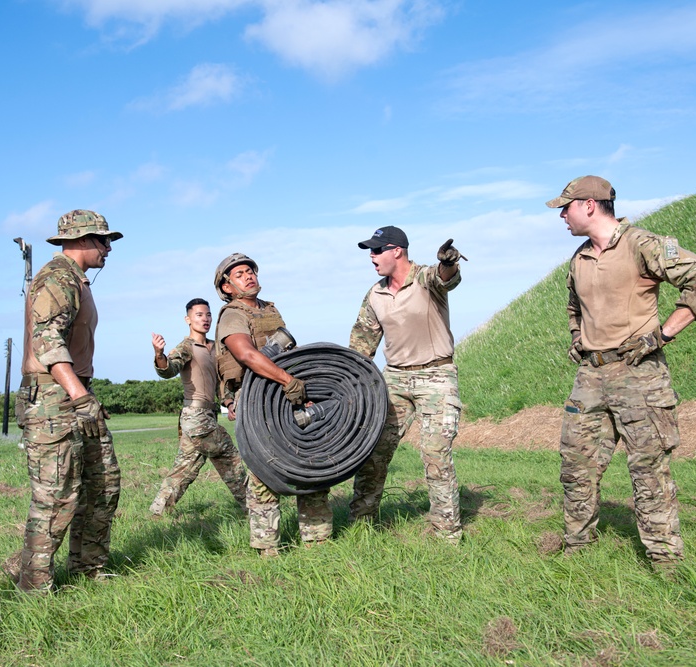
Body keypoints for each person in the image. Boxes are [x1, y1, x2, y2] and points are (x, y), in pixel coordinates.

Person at [548, 175, 696, 567]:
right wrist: (578, 337)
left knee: (648, 471)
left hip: (639, 375)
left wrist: (662, 334)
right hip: (590, 378)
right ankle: (577, 554)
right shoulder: (579, 258)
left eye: (566, 206)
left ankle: (665, 564)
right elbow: (574, 308)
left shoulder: (642, 244)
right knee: (576, 467)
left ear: (589, 205)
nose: (562, 215)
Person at [13, 209, 123, 592]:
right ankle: (33, 585)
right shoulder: (57, 278)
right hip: (54, 398)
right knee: (57, 497)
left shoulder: (78, 280)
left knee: (103, 484)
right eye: (103, 240)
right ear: (80, 240)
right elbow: (47, 340)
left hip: (77, 393)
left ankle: (88, 570)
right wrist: (78, 395)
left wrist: (82, 393)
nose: (109, 248)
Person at [348, 226, 465, 544]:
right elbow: (361, 344)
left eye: (376, 250)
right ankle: (362, 524)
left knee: (435, 452)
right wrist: (348, 384)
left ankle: (447, 534)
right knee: (373, 450)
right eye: (369, 252)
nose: (371, 257)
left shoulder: (426, 278)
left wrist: (449, 262)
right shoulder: (375, 294)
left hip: (436, 376)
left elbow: (447, 278)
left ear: (396, 250)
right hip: (394, 379)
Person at [213, 253, 332, 557]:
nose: (248, 276)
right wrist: (287, 380)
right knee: (264, 470)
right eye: (239, 274)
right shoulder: (232, 314)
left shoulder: (270, 310)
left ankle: (318, 539)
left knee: (307, 462)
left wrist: (296, 383)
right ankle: (268, 547)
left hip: (283, 392)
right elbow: (246, 355)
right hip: (256, 399)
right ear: (227, 287)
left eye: (250, 270)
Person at [149, 298, 247, 517]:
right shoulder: (186, 347)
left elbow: (220, 382)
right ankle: (253, 506)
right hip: (195, 417)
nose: (205, 319)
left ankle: (157, 512)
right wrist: (159, 354)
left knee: (184, 469)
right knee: (229, 457)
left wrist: (229, 403)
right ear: (188, 319)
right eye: (199, 315)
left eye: (208, 315)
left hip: (209, 415)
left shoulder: (216, 348)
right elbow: (169, 369)